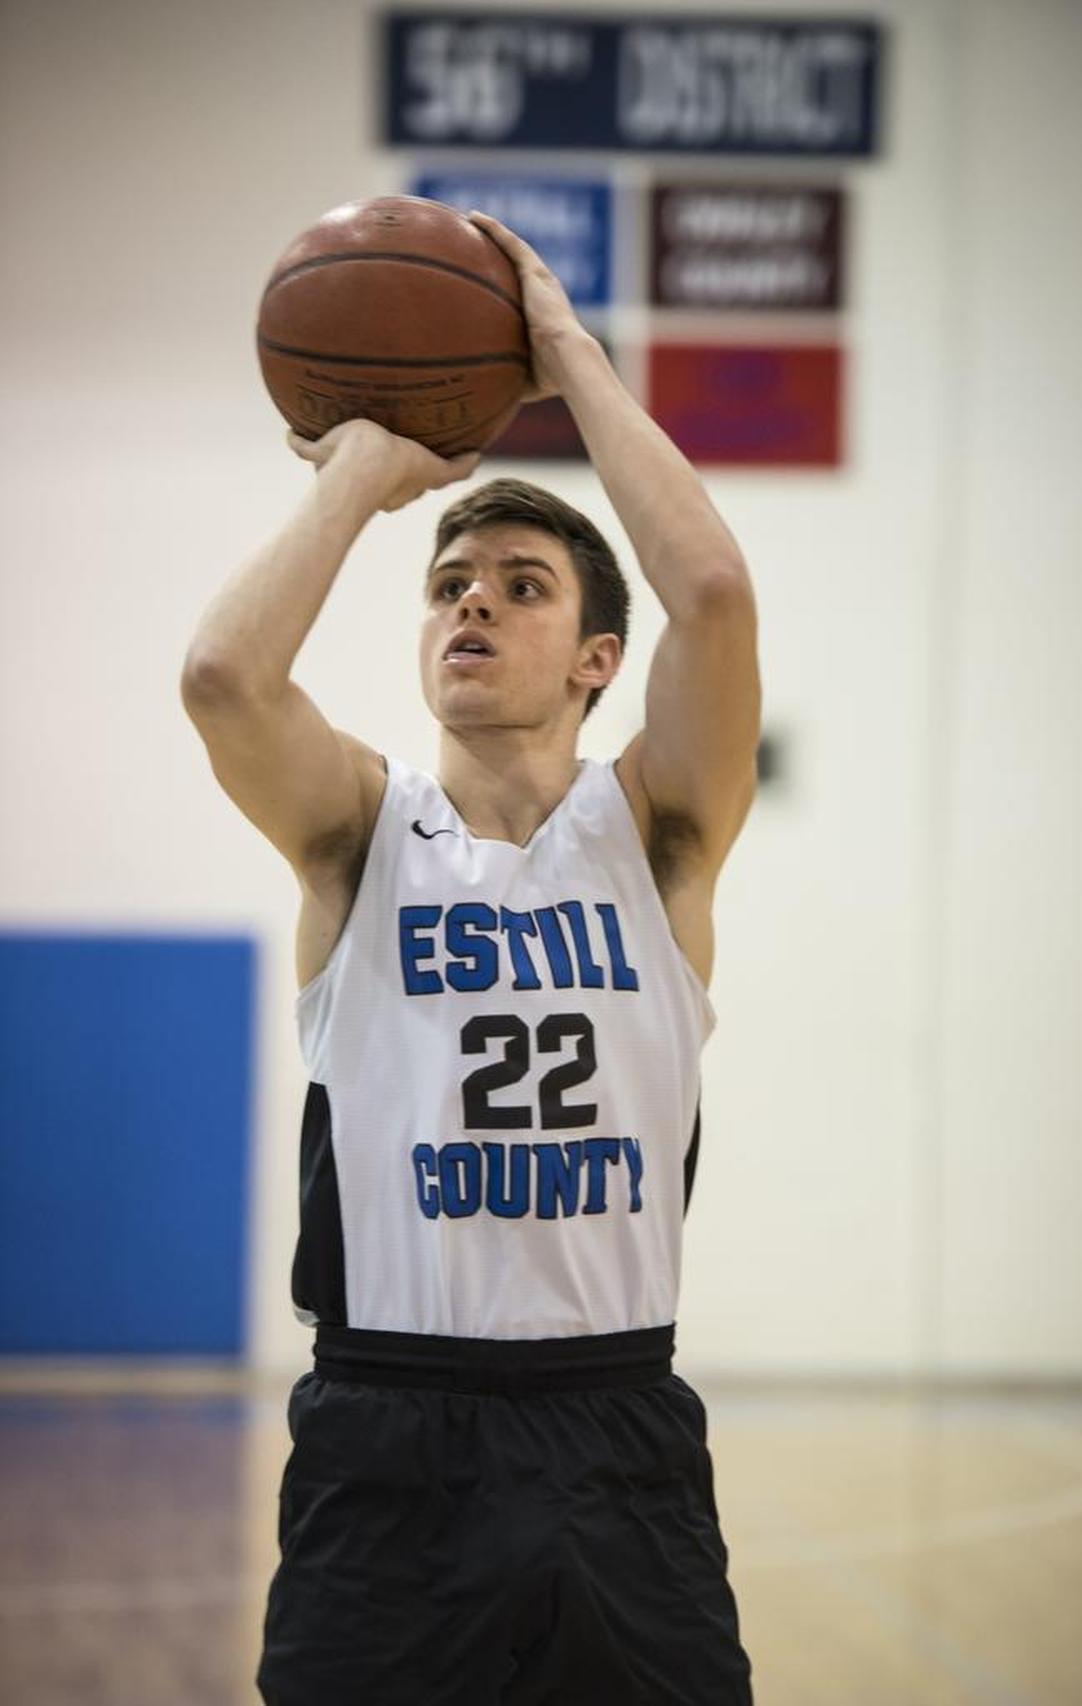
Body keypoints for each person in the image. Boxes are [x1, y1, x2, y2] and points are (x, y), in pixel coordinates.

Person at [181, 211, 760, 1706]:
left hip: (614, 1424)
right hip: (391, 1433)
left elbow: (714, 596)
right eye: (448, 584)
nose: (471, 601)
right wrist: (370, 472)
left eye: (518, 582)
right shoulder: (362, 831)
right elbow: (223, 677)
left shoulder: (661, 831)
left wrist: (566, 358)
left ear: (595, 660)